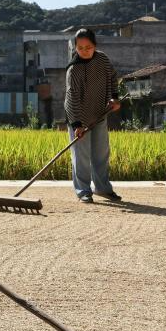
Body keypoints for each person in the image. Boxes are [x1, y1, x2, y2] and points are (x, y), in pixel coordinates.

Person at [64, 28, 122, 204]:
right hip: (78, 117)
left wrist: (115, 98)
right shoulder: (73, 70)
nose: (84, 51)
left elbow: (112, 77)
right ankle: (83, 190)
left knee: (101, 153)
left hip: (100, 114)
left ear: (95, 45)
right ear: (75, 48)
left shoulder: (102, 59)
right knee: (81, 156)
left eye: (88, 47)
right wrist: (77, 125)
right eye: (80, 48)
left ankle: (103, 188)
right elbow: (71, 98)